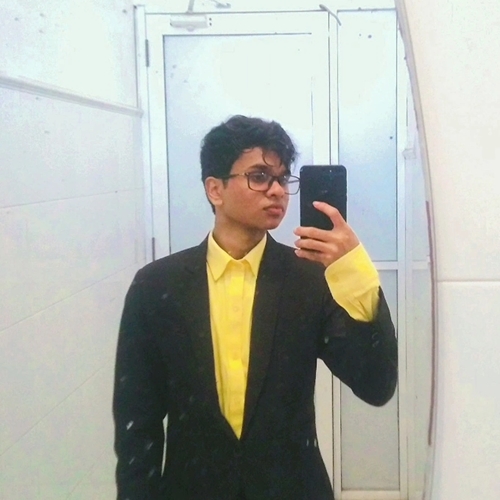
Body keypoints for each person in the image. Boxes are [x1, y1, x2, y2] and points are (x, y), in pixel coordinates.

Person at [113, 115, 398, 500]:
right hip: (192, 488)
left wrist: (355, 274)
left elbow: (376, 385)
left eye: (282, 178)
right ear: (215, 189)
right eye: (259, 176)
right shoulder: (156, 286)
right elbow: (137, 422)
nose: (277, 191)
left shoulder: (310, 280)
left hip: (291, 489)